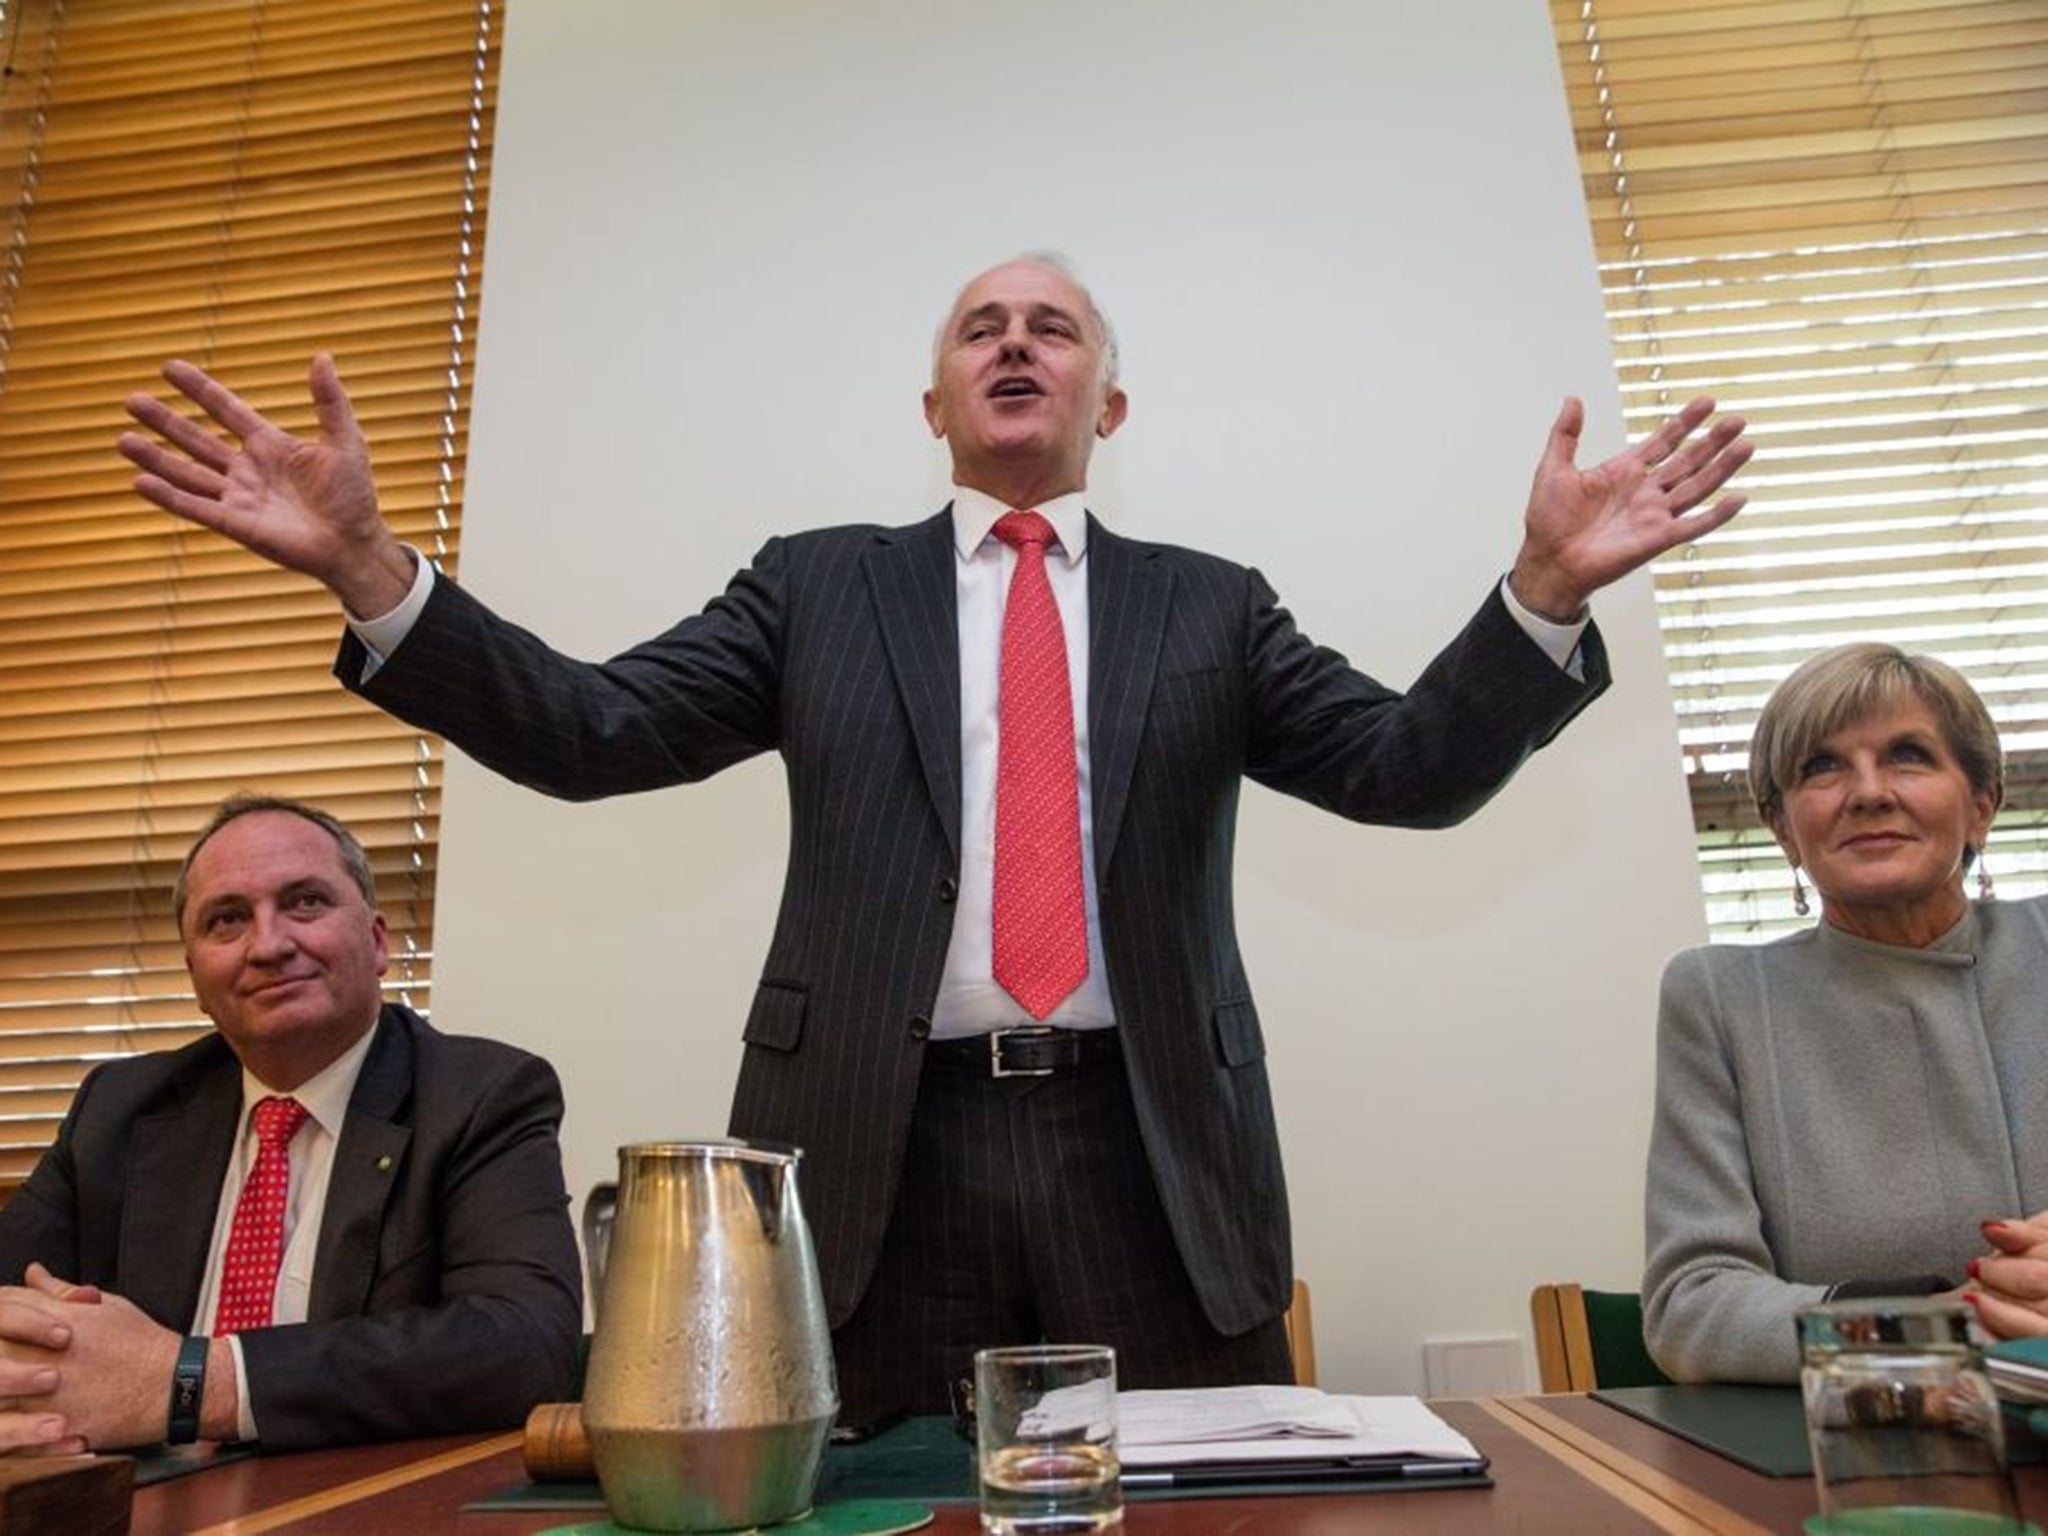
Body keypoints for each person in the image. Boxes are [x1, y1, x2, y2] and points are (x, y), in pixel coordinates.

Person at [119, 254, 1751, 1419]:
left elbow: (1403, 769)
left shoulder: (1209, 607)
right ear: (934, 396)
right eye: (983, 326)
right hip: (877, 1159)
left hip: (1152, 1150)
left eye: (1053, 327)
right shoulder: (817, 587)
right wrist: (370, 570)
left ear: (1111, 397)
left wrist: (1537, 596)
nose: (1016, 345)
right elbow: (590, 731)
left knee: (1198, 1499)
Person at [0, 797, 582, 1451]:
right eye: (227, 920)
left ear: (377, 939)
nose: (269, 945)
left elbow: (526, 1345)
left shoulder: (481, 1095)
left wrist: (195, 1382)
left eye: (305, 903)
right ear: (194, 975)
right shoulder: (119, 1106)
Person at [1644, 643, 2048, 1382]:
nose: (1867, 793)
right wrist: (1928, 1327)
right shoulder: (1721, 997)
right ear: (1783, 830)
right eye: (1821, 767)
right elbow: (1689, 1308)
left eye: (1908, 755)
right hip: (1872, 1445)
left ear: (1982, 805)